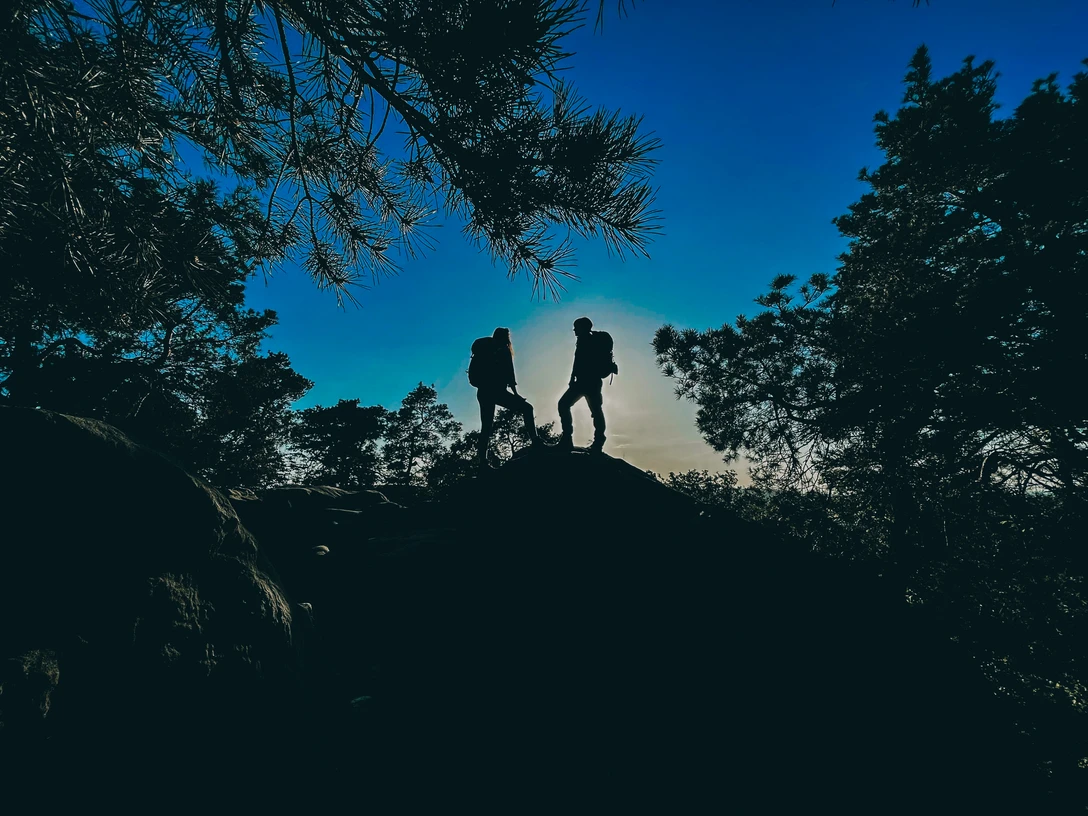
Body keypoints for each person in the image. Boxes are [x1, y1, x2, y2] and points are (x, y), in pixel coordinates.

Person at [470, 327, 542, 464]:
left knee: (486, 427)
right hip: (497, 392)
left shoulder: (485, 349)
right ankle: (535, 440)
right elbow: (510, 375)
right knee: (527, 408)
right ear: (506, 337)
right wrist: (516, 395)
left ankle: (482, 462)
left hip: (483, 392)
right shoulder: (503, 350)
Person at [557, 316, 614, 453]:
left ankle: (597, 442)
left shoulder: (589, 341)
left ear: (583, 327)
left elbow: (581, 361)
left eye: (576, 327)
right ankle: (570, 439)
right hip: (582, 382)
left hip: (590, 382)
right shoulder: (581, 340)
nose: (574, 330)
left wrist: (574, 377)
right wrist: (572, 377)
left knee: (594, 411)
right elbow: (577, 360)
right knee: (568, 405)